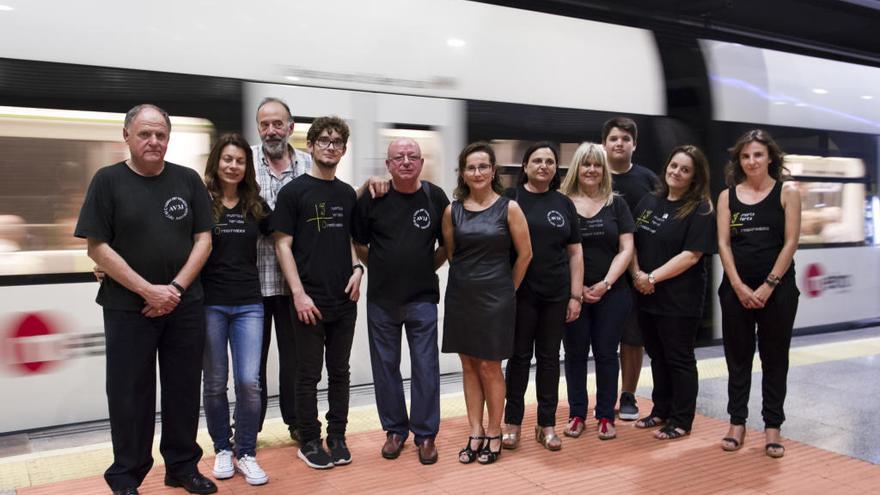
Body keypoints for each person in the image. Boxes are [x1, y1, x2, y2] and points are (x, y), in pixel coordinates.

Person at [75, 104, 217, 495]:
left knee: (183, 389)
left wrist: (174, 290)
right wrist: (148, 290)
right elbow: (96, 247)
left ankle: (182, 467)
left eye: (160, 135)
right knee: (129, 394)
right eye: (144, 134)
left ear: (168, 139)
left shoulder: (188, 180)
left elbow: (204, 240)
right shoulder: (107, 181)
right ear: (127, 136)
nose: (153, 141)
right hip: (127, 308)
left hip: (184, 305)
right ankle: (126, 475)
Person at [272, 116, 362, 470]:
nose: (330, 147)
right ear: (309, 145)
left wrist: (358, 269)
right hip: (308, 300)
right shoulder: (293, 193)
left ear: (344, 149)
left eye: (337, 142)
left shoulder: (347, 194)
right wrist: (298, 294)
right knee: (308, 374)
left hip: (344, 299)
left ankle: (337, 435)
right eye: (323, 140)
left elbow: (351, 240)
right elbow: (282, 245)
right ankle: (309, 439)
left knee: (340, 371)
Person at [352, 138, 450, 464]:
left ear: (421, 163)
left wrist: (424, 267)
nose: (406, 161)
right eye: (398, 157)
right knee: (385, 368)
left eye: (412, 156)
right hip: (382, 299)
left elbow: (447, 245)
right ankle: (395, 430)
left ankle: (426, 434)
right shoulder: (374, 197)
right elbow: (359, 242)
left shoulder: (435, 197)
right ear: (388, 164)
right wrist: (380, 267)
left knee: (426, 367)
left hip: (422, 299)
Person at [441, 142, 532, 465]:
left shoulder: (510, 208)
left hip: (496, 297)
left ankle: (494, 430)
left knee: (490, 366)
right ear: (463, 174)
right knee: (468, 365)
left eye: (483, 166)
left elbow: (525, 255)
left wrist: (509, 289)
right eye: (471, 167)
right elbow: (452, 254)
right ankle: (475, 430)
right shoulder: (452, 211)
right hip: (461, 295)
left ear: (493, 171)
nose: (477, 172)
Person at [717, 130, 800, 458]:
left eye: (757, 155)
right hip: (735, 290)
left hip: (777, 291)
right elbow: (723, 244)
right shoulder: (727, 197)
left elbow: (791, 242)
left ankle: (772, 426)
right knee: (737, 358)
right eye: (745, 156)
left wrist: (769, 285)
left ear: (770, 158)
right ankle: (736, 422)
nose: (751, 161)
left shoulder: (787, 192)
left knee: (775, 358)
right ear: (739, 161)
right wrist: (738, 286)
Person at [629, 144, 715, 440]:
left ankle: (681, 419)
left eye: (685, 169)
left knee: (679, 358)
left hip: (680, 299)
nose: (677, 172)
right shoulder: (649, 200)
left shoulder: (700, 209)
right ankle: (660, 410)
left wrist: (651, 277)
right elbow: (631, 241)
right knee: (657, 356)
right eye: (674, 165)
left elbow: (691, 255)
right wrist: (637, 275)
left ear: (695, 177)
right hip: (646, 294)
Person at [501, 142, 582, 452]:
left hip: (555, 295)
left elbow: (575, 253)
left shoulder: (564, 203)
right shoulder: (511, 199)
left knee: (549, 359)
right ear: (525, 166)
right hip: (521, 293)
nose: (544, 166)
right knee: (519, 358)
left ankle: (546, 424)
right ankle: (512, 423)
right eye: (537, 160)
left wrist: (575, 296)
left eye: (549, 161)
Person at [201, 133, 271, 485]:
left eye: (240, 161)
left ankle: (245, 451)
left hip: (249, 305)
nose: (233, 166)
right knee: (215, 382)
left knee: (248, 382)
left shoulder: (255, 205)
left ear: (247, 167)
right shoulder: (201, 202)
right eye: (227, 159)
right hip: (210, 304)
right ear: (217, 162)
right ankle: (222, 448)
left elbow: (288, 236)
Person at [560, 142, 635, 440]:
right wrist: (576, 290)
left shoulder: (617, 204)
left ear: (604, 170)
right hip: (572, 295)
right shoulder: (562, 203)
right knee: (575, 355)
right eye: (586, 164)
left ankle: (605, 415)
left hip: (612, 293)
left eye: (597, 165)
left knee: (606, 354)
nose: (591, 170)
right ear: (576, 168)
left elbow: (626, 249)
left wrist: (605, 284)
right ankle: (577, 414)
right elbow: (557, 251)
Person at [252, 97, 312, 441]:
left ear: (291, 127)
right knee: (251, 364)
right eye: (265, 124)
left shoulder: (309, 164)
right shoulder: (243, 162)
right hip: (252, 283)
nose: (271, 131)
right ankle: (250, 426)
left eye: (278, 124)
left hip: (296, 286)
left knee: (296, 360)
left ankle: (297, 422)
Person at [602, 116, 659, 421]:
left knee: (632, 337)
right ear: (604, 144)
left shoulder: (648, 180)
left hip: (638, 272)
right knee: (602, 338)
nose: (619, 143)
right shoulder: (593, 174)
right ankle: (603, 397)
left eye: (626, 139)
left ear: (634, 144)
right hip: (600, 271)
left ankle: (628, 394)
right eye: (614, 138)